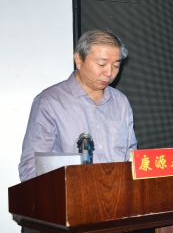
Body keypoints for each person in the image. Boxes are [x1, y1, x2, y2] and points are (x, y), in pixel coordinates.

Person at [18, 30, 138, 181]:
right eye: (102, 64)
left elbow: (131, 157)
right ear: (79, 60)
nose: (109, 72)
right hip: (70, 193)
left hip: (117, 193)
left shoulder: (120, 102)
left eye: (115, 65)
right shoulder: (49, 102)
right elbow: (30, 168)